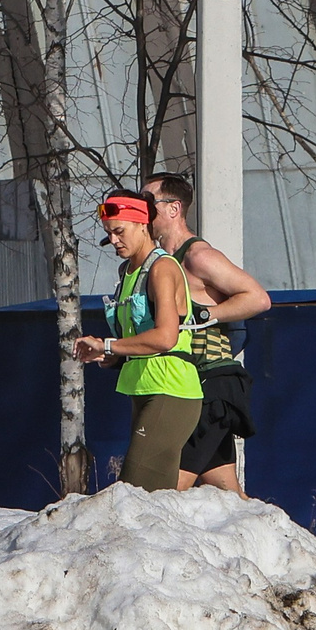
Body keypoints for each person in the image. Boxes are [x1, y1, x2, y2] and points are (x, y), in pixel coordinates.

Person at [147, 174, 272, 493]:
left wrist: (205, 314)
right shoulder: (162, 262)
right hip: (190, 384)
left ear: (174, 208)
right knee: (225, 489)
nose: (142, 211)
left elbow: (258, 298)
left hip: (215, 383)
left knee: (167, 489)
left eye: (149, 202)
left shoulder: (197, 256)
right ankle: (279, 542)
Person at [74, 190, 202, 491]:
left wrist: (109, 345)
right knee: (153, 499)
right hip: (144, 387)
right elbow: (134, 340)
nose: (114, 241)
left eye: (119, 231)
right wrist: (110, 356)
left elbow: (166, 337)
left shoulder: (162, 267)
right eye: (109, 233)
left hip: (172, 388)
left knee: (133, 493)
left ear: (143, 223)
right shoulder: (128, 272)